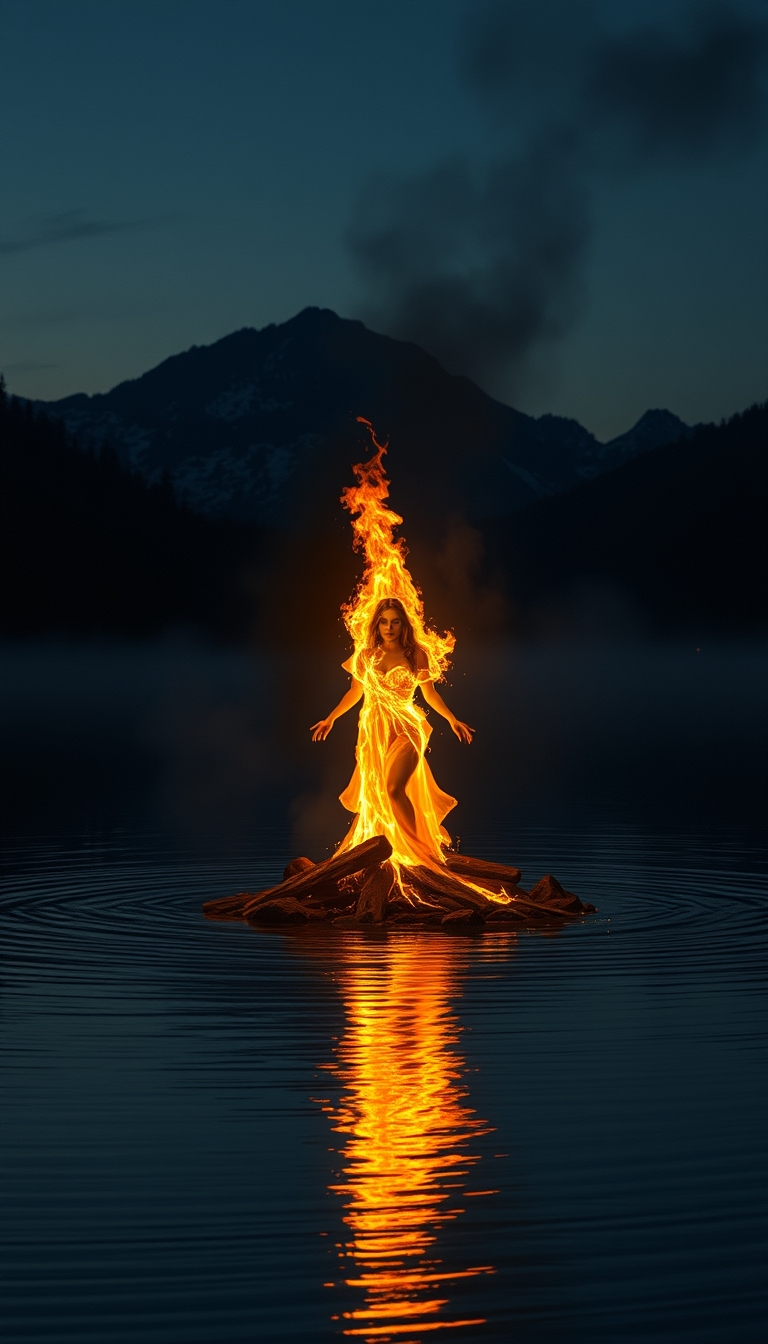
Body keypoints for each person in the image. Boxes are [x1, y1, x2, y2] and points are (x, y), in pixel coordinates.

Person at [310, 597, 474, 867]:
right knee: (377, 795)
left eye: (395, 622)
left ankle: (424, 854)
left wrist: (452, 720)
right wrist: (331, 719)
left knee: (393, 788)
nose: (389, 627)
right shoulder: (365, 655)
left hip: (407, 727)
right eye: (384, 622)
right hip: (375, 732)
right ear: (377, 625)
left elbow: (430, 694)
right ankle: (392, 853)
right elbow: (355, 693)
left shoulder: (417, 654)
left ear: (403, 625)